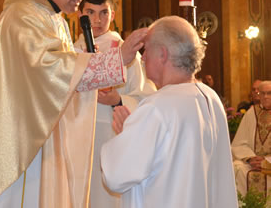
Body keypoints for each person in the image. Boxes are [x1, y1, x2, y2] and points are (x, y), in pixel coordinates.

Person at [0, 0, 147, 208]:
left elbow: (67, 77)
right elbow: (53, 71)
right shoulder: (24, 15)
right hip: (23, 143)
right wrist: (117, 59)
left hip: (45, 136)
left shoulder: (53, 18)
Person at [101, 16, 238, 208]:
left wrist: (127, 136)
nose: (143, 57)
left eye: (146, 49)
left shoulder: (156, 107)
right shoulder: (211, 97)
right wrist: (133, 135)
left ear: (163, 54)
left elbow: (115, 175)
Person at [73, 0, 155, 207]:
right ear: (80, 14)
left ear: (113, 14)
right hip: (76, 138)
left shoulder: (124, 51)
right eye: (90, 12)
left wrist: (117, 100)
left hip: (110, 136)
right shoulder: (70, 50)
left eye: (104, 13)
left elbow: (146, 99)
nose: (97, 20)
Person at [232, 80, 271, 196]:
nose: (265, 96)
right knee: (236, 168)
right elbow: (238, 143)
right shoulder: (251, 112)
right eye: (262, 93)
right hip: (253, 161)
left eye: (269, 93)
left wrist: (266, 161)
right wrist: (251, 158)